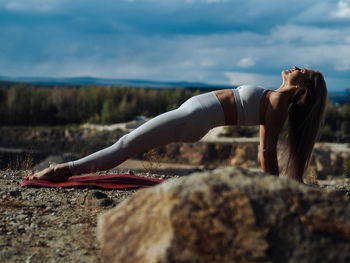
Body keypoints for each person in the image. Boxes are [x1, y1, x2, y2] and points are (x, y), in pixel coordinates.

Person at [27, 66, 328, 183]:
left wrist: (274, 188)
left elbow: (266, 151)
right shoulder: (274, 98)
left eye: (304, 71)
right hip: (192, 117)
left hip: (193, 120)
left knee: (125, 145)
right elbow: (267, 149)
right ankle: (63, 169)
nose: (296, 67)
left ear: (302, 89)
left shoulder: (277, 103)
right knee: (127, 144)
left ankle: (59, 170)